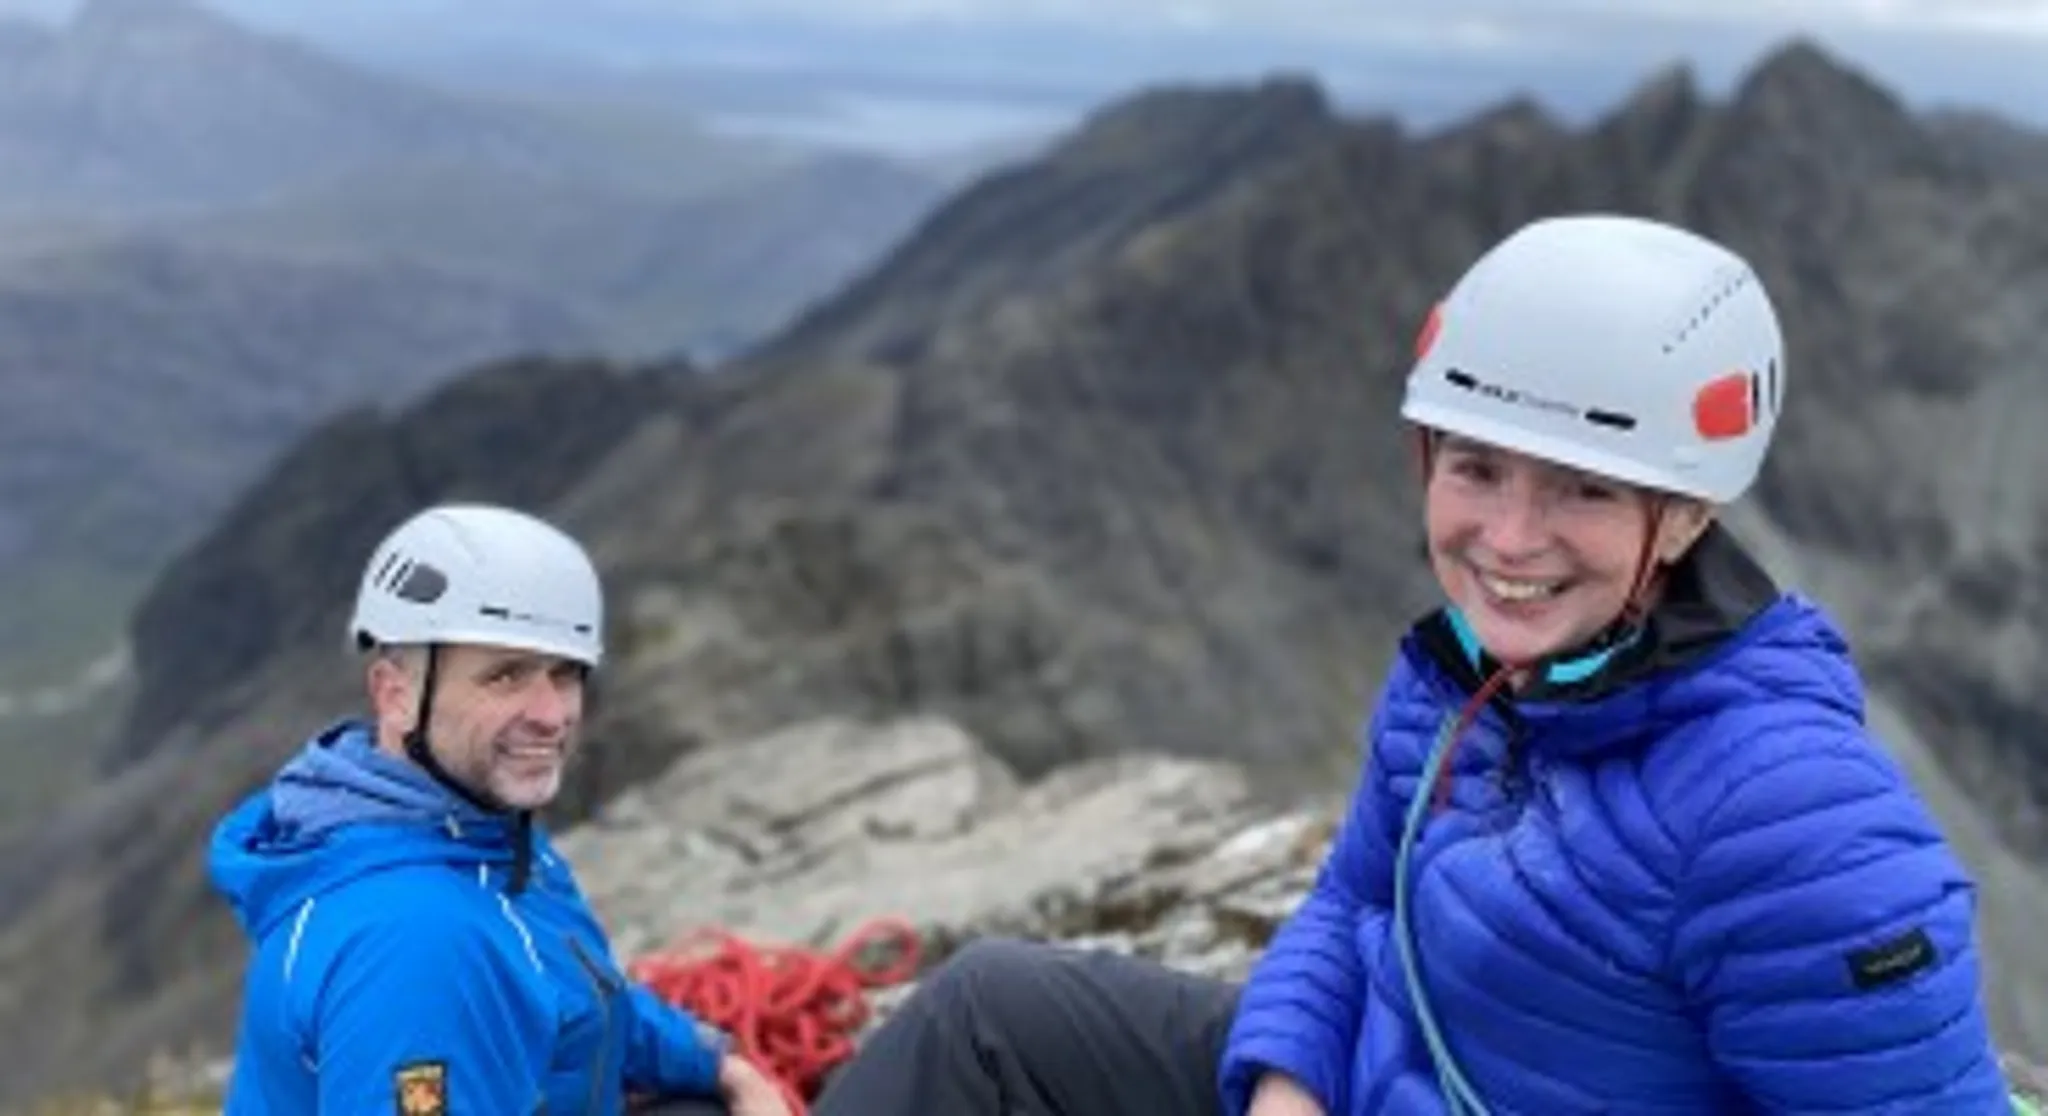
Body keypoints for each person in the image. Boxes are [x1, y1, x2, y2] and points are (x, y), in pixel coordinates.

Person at [808, 213, 2022, 1114]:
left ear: (1688, 516)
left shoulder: (1793, 819)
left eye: (1582, 490)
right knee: (991, 1015)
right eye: (1474, 468)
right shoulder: (1461, 678)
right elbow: (1354, 905)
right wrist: (1285, 1082)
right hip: (1367, 1084)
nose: (1507, 540)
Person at [208, 503, 787, 1115]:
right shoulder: (418, 943)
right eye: (505, 677)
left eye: (564, 674)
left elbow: (571, 995)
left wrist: (717, 1063)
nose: (551, 714)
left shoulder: (474, 836)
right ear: (395, 694)